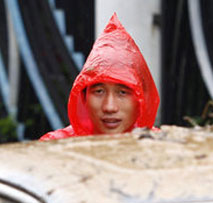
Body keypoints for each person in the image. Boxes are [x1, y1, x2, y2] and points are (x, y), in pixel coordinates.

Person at [40, 13, 159, 141]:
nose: (109, 107)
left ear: (141, 99)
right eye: (99, 91)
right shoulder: (56, 145)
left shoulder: (160, 145)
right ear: (84, 97)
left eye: (122, 92)